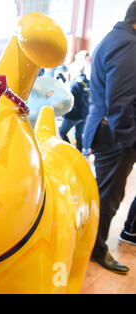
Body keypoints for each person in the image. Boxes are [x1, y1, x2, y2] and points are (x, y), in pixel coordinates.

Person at [82, 1, 136, 274]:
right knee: (108, 197)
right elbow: (120, 101)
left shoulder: (116, 38)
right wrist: (127, 141)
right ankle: (95, 249)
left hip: (105, 128)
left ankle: (90, 244)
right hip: (115, 134)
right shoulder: (128, 44)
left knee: (103, 194)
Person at [59, 51, 91, 151]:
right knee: (79, 134)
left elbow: (68, 98)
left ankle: (70, 151)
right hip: (85, 114)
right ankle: (79, 152)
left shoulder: (74, 84)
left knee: (62, 132)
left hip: (74, 114)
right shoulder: (88, 82)